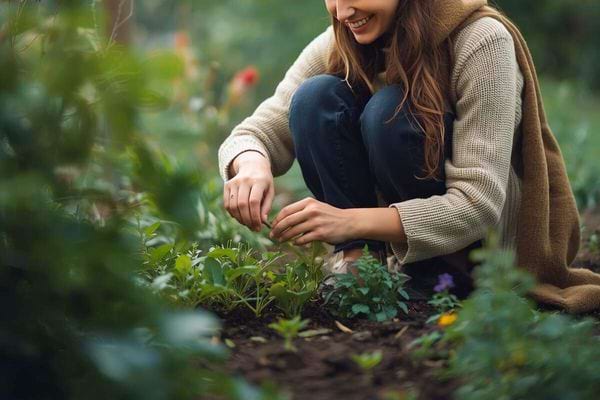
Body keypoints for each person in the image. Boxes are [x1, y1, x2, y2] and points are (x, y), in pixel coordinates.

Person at [218, 0, 523, 299]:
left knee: (388, 112)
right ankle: (356, 266)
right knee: (315, 98)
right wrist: (251, 166)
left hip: (476, 256)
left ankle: (439, 275)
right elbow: (257, 130)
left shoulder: (481, 40)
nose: (341, 11)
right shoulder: (342, 39)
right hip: (387, 248)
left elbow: (478, 204)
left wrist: (347, 221)